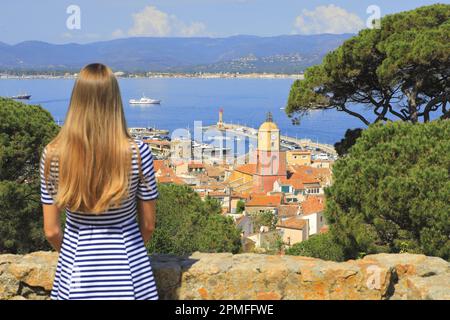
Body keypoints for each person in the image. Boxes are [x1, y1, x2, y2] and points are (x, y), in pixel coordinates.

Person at [40, 63, 159, 300]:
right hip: (131, 276)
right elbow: (148, 225)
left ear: (76, 100)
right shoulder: (138, 153)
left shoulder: (52, 155)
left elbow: (52, 231)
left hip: (74, 276)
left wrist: (73, 255)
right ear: (114, 101)